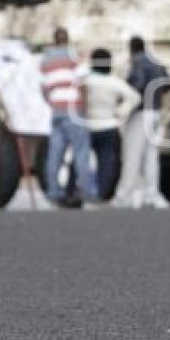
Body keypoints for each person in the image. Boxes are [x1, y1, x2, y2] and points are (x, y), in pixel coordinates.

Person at [41, 28, 98, 206]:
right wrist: (85, 107)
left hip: (57, 111)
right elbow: (82, 82)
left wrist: (52, 103)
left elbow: (43, 88)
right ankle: (87, 193)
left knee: (55, 155)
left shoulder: (46, 60)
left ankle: (53, 192)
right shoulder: (74, 56)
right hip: (74, 110)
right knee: (81, 153)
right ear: (68, 40)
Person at [113, 36, 170, 209]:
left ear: (131, 49)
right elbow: (169, 84)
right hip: (156, 111)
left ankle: (123, 197)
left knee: (132, 155)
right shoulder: (157, 63)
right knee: (151, 157)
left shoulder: (138, 63)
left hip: (140, 113)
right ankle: (151, 194)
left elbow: (136, 85)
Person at [84, 48, 141, 201]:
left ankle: (81, 191)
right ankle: (102, 193)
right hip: (109, 125)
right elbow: (135, 97)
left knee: (83, 159)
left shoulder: (86, 81)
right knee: (107, 162)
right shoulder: (114, 82)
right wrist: (121, 111)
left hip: (88, 125)